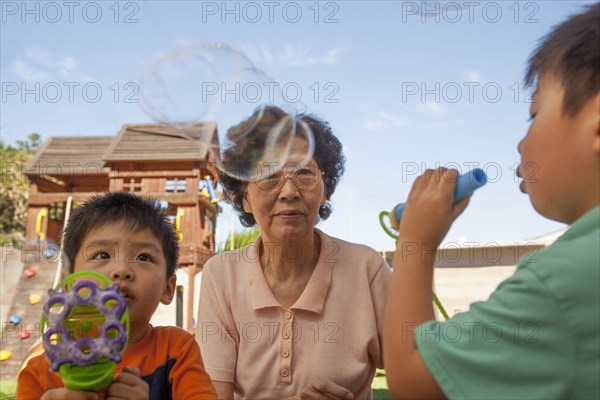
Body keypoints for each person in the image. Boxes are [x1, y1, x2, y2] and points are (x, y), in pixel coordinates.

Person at [383, 4, 599, 399]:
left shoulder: (561, 279)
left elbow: (412, 380)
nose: (520, 143)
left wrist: (415, 241)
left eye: (533, 114)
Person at [196, 106, 391, 399]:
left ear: (325, 190)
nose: (289, 191)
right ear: (243, 197)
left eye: (304, 173)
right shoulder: (220, 275)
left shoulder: (367, 268)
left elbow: (417, 377)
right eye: (269, 175)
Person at [17, 192, 217, 400]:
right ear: (69, 284)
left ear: (167, 289)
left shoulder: (176, 350)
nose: (122, 270)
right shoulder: (39, 373)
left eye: (144, 257)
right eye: (102, 255)